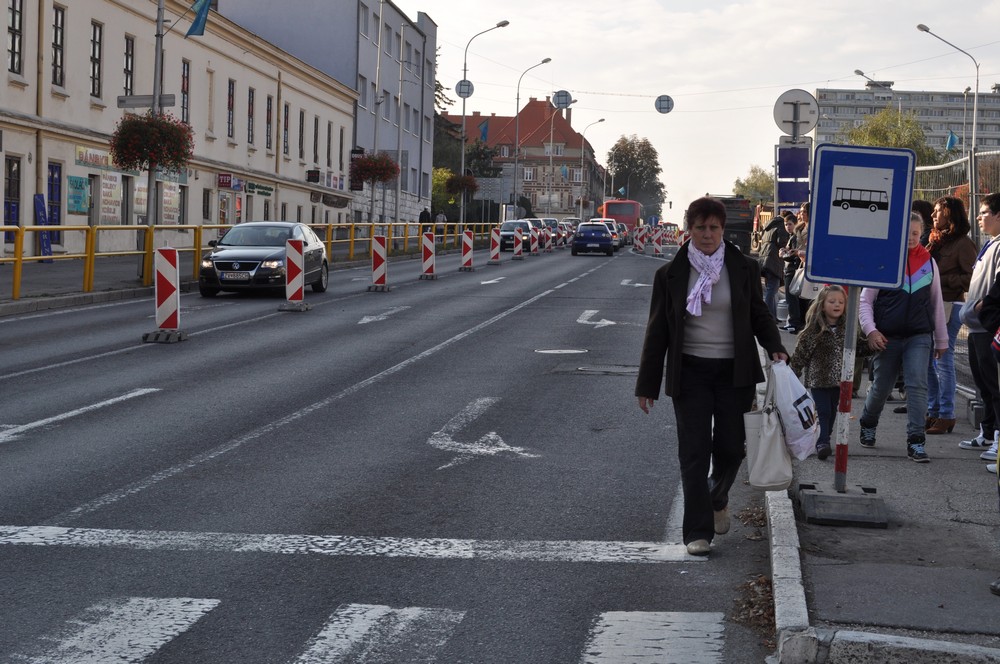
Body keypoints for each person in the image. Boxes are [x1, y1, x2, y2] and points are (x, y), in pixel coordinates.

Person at [635, 197, 788, 557]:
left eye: (714, 228)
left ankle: (717, 495)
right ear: (689, 229)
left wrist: (775, 345)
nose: (707, 235)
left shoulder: (743, 268)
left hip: (734, 372)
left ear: (723, 230)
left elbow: (758, 314)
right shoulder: (670, 274)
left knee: (732, 448)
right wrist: (647, 384)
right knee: (693, 451)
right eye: (700, 227)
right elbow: (657, 332)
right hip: (690, 372)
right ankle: (697, 532)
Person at [857, 212, 948, 462]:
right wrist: (871, 331)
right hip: (887, 337)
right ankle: (867, 421)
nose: (911, 238)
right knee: (882, 387)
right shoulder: (883, 260)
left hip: (919, 335)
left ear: (922, 234)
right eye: (906, 233)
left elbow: (936, 303)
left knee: (918, 385)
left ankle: (916, 440)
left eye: (916, 234)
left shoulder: (928, 262)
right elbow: (865, 301)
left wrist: (941, 340)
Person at [790, 285, 868, 460]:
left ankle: (824, 437)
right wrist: (792, 374)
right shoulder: (813, 331)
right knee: (823, 410)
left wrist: (873, 345)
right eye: (832, 301)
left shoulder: (847, 329)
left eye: (841, 302)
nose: (837, 305)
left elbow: (859, 348)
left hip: (840, 381)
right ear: (822, 304)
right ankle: (822, 442)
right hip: (818, 380)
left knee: (832, 411)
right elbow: (800, 355)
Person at [924, 196, 977, 435]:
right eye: (933, 212)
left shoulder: (962, 244)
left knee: (943, 362)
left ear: (951, 215)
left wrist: (940, 280)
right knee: (930, 363)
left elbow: (970, 279)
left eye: (938, 212)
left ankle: (947, 414)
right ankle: (934, 411)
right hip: (932, 304)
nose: (934, 216)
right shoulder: (936, 240)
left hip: (950, 305)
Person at [959, 193, 1000, 463]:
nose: (978, 217)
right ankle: (987, 433)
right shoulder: (989, 244)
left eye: (984, 212)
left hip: (988, 328)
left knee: (995, 386)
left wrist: (982, 306)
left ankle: (997, 439)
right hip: (976, 329)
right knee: (983, 385)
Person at [759, 211, 789, 322]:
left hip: (764, 258)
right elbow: (781, 242)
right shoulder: (781, 225)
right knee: (772, 290)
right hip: (773, 260)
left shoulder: (769, 225)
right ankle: (767, 316)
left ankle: (772, 316)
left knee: (771, 289)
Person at [779, 212, 802, 332]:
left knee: (791, 299)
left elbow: (793, 255)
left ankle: (793, 323)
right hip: (790, 270)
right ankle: (792, 322)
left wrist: (783, 254)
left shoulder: (795, 237)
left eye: (790, 224)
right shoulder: (792, 237)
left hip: (792, 271)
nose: (788, 226)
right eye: (786, 224)